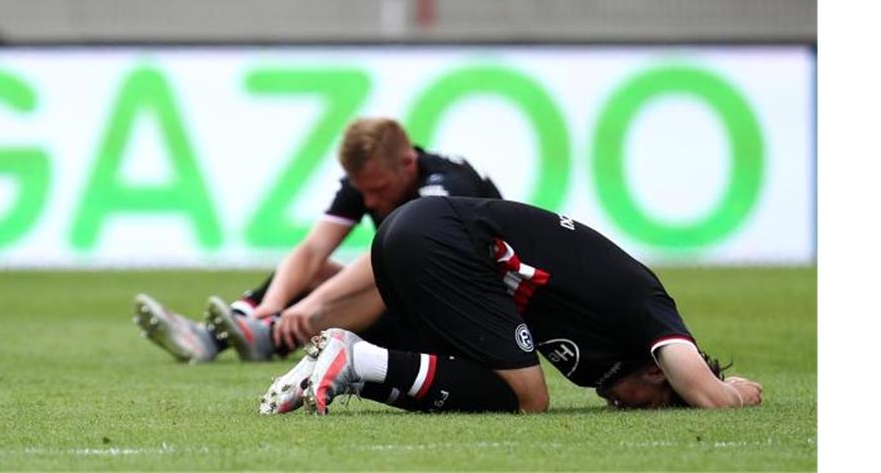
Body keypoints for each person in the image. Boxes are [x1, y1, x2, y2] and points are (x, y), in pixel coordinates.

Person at [260, 196, 763, 414]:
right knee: (531, 398)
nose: (619, 405)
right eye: (649, 404)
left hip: (412, 237)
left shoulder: (604, 359)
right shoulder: (648, 306)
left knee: (486, 386)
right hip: (442, 239)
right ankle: (353, 357)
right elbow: (707, 395)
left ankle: (344, 367)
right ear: (657, 374)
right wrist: (737, 390)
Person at [133, 117, 502, 363]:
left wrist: (312, 305)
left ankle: (268, 336)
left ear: (407, 163)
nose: (370, 202)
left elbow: (386, 257)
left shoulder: (448, 187)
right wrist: (275, 302)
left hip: (475, 326)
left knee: (381, 277)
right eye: (364, 192)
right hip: (418, 310)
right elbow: (311, 249)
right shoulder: (372, 179)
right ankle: (238, 327)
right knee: (316, 271)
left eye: (378, 190)